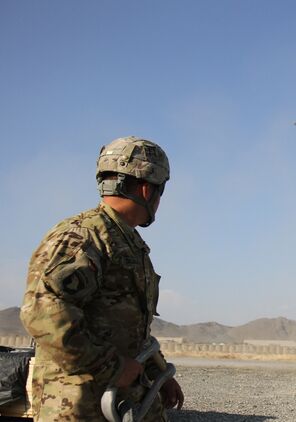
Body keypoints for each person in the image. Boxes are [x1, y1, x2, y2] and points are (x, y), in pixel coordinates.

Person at [20, 136, 183, 421]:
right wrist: (111, 368)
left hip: (117, 402)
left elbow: (130, 328)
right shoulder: (83, 236)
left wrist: (159, 374)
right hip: (80, 407)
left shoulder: (125, 241)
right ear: (147, 189)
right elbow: (42, 314)